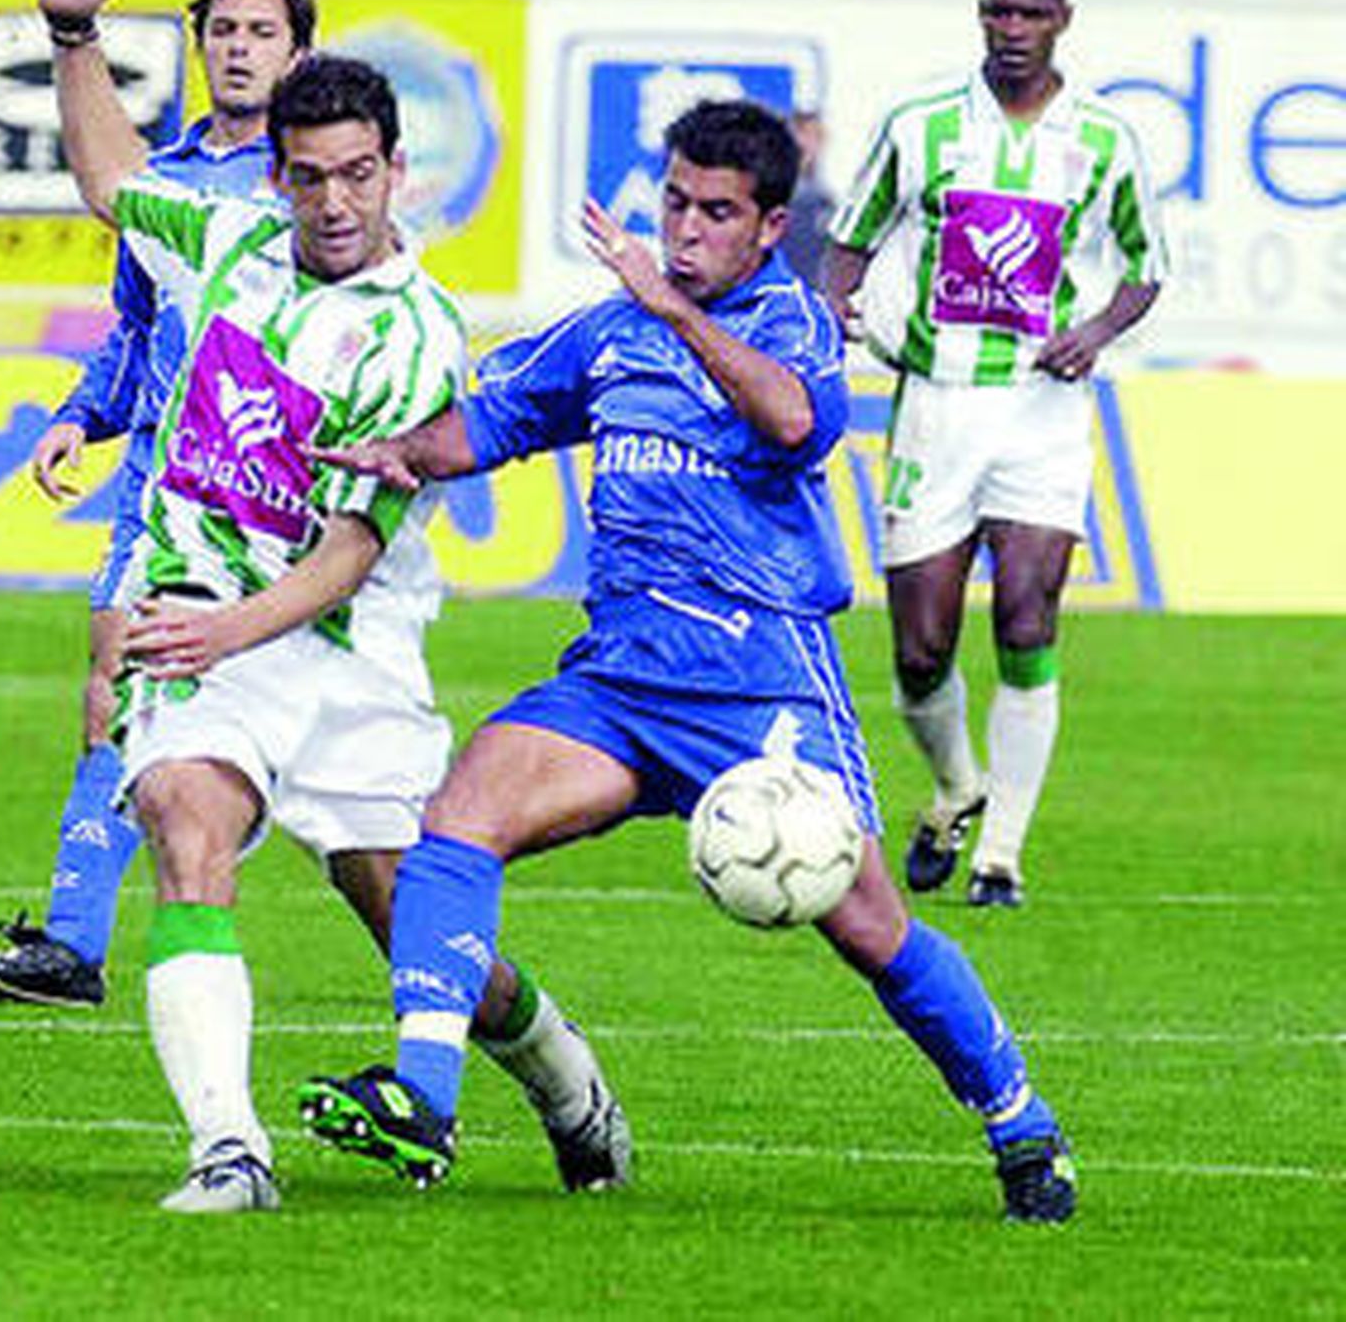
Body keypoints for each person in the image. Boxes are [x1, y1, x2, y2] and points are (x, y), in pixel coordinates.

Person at [297, 97, 1077, 1224]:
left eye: (716, 211)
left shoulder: (793, 320)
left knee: (867, 927)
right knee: (456, 824)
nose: (687, 228)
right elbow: (494, 421)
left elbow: (797, 426)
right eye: (674, 202)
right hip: (618, 680)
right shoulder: (609, 332)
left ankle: (1019, 1119)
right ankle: (423, 1096)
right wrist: (403, 452)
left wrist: (668, 304)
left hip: (760, 685)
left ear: (767, 226)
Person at [0, 0, 634, 1213]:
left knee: (410, 916)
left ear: (397, 171)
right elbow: (116, 177)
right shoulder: (224, 241)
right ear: (274, 177)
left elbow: (348, 552)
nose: (332, 202)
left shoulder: (414, 335)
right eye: (307, 177)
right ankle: (230, 1147)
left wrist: (231, 631)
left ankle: (565, 1079)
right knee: (187, 821)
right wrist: (72, 33)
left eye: (355, 175)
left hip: (342, 647)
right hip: (202, 616)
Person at [0, 0, 316, 1009]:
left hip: (289, 495)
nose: (238, 49)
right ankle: (72, 941)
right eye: (222, 31)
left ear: (301, 55)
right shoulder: (161, 181)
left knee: (316, 755)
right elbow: (135, 325)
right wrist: (80, 416)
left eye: (262, 32)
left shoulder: (318, 182)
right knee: (113, 683)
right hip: (169, 485)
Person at [821, 0, 1168, 909]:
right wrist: (830, 321)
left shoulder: (1104, 139)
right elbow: (849, 239)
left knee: (1027, 612)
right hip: (935, 405)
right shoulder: (922, 127)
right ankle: (955, 786)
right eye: (997, 14)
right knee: (921, 648)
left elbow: (1147, 264)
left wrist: (1094, 331)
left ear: (1063, 18)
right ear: (981, 16)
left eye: (1030, 15)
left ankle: (1001, 853)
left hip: (1042, 411)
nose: (1012, 31)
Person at [779, 105, 835, 287]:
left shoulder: (825, 197)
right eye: (803, 133)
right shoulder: (781, 194)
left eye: (816, 136)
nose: (808, 143)